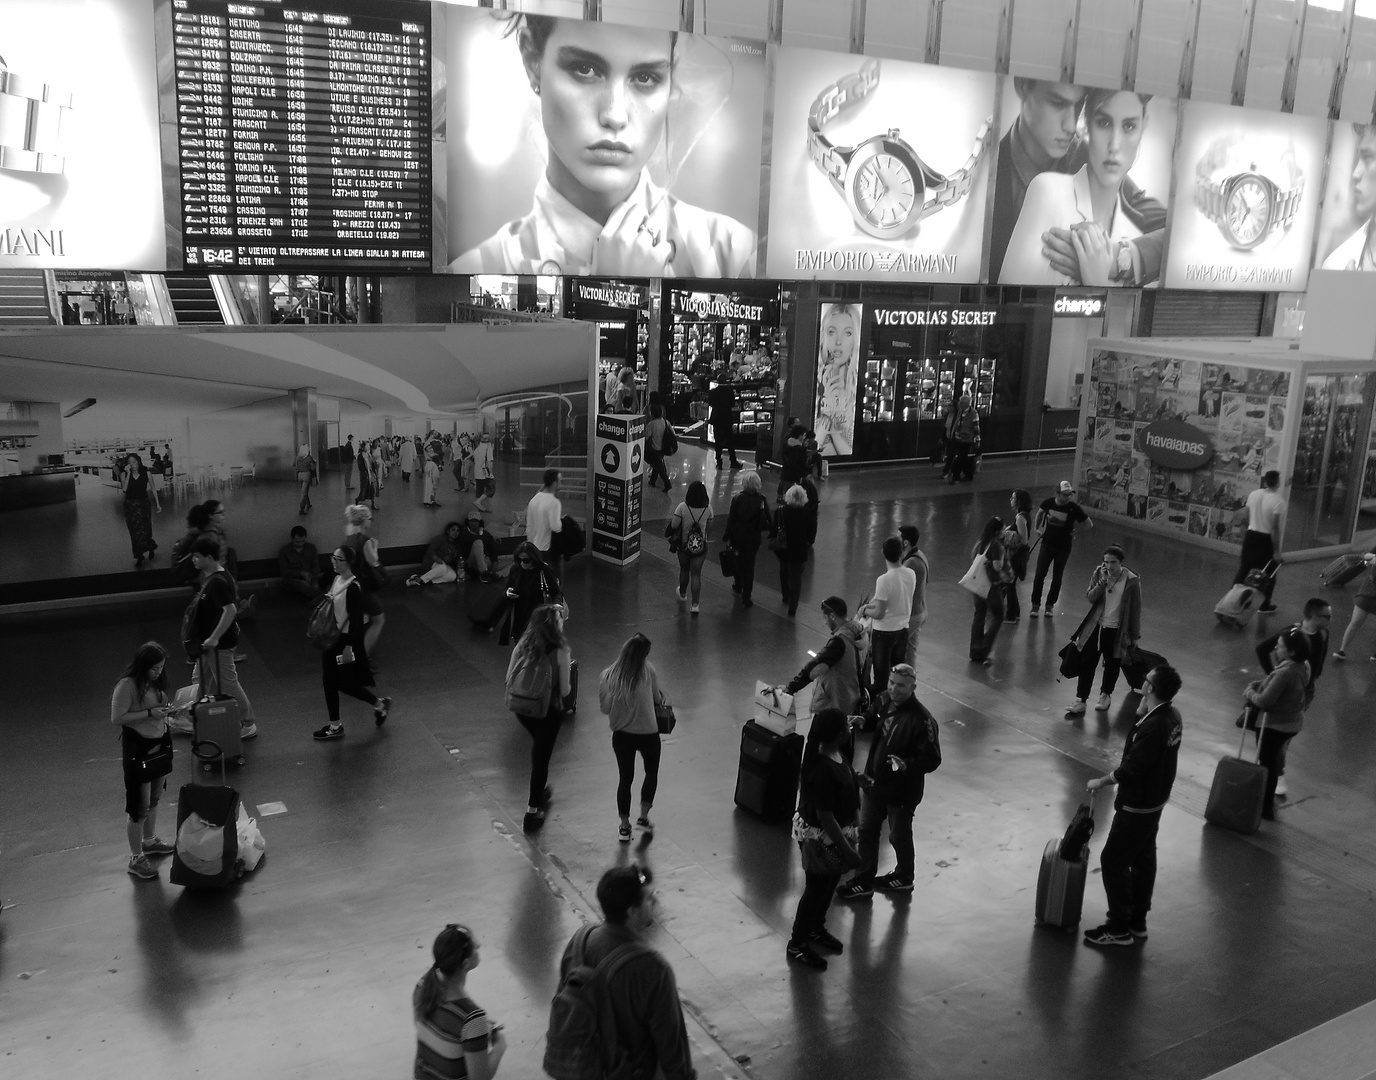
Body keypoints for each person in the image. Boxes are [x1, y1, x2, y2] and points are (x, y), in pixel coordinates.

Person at [449, 16, 754, 280]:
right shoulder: (473, 269)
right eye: (585, 69)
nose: (615, 115)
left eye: (645, 77)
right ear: (532, 60)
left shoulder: (732, 250)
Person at [988, 78, 1165, 286]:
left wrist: (1119, 259)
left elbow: (1175, 235)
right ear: (1023, 86)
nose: (1071, 126)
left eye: (1079, 104)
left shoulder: (1100, 168)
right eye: (1057, 103)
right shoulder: (984, 172)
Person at [555, 864, 697, 1080]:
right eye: (649, 898)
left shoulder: (580, 940)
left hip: (584, 1068)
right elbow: (672, 1048)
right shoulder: (653, 969)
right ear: (632, 911)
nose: (655, 902)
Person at [1082, 663, 1184, 947]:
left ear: (1151, 687)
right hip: (1154, 803)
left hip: (1137, 806)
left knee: (1113, 861)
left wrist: (1102, 781)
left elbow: (1133, 767)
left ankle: (1118, 927)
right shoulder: (1171, 716)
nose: (1144, 681)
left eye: (1147, 679)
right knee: (1143, 859)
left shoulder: (1153, 725)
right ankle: (1137, 921)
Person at [836, 665, 940, 899]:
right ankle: (864, 880)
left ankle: (904, 876)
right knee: (867, 831)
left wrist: (907, 766)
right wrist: (863, 720)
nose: (894, 689)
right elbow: (874, 719)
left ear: (913, 687)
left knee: (898, 835)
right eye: (891, 682)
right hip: (875, 783)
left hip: (901, 791)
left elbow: (932, 759)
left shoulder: (923, 721)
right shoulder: (884, 699)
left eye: (901, 685)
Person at [787, 708, 861, 970]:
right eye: (847, 728)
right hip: (821, 838)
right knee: (816, 889)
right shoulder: (821, 768)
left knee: (828, 885)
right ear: (839, 734)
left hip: (834, 833)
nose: (851, 731)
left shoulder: (833, 753)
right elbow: (826, 817)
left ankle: (815, 929)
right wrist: (849, 852)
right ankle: (797, 944)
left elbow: (843, 778)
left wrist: (856, 780)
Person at [112, 641, 176, 880]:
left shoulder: (156, 682)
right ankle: (136, 858)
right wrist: (150, 713)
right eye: (154, 668)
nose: (158, 672)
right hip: (138, 750)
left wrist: (168, 713)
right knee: (139, 806)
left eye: (161, 667)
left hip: (158, 747)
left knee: (154, 799)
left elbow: (160, 706)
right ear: (142, 665)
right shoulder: (126, 686)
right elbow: (117, 717)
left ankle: (150, 841)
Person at [315, 545, 392, 740]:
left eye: (339, 560)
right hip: (333, 636)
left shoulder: (353, 587)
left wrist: (349, 647)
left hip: (345, 640)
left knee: (342, 682)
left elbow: (356, 619)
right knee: (330, 681)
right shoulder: (336, 580)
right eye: (333, 558)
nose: (334, 562)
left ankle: (378, 704)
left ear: (348, 563)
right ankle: (336, 724)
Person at [1257, 598, 1332, 799]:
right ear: (1314, 616)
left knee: (1287, 732)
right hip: (1288, 688)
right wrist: (1273, 674)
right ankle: (1276, 772)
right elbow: (1263, 649)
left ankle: (1274, 769)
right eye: (1327, 616)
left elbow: (1320, 661)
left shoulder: (1323, 634)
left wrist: (1311, 681)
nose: (1330, 620)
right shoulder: (1291, 634)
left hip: (1306, 690)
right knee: (1280, 730)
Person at [412, 923, 506, 1080]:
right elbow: (480, 1078)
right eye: (475, 947)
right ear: (465, 964)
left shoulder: (423, 986)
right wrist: (499, 1046)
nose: (479, 945)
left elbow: (436, 1031)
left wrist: (476, 1035)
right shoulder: (472, 1018)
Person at [599, 632, 667, 843]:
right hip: (648, 733)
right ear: (643, 655)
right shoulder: (649, 671)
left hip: (622, 736)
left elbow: (605, 708)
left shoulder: (609, 675)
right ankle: (644, 817)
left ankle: (624, 826)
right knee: (651, 772)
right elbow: (657, 699)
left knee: (625, 779)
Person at [188, 536, 258, 741]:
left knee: (227, 683)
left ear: (209, 557)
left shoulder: (217, 582)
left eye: (196, 556)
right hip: (208, 643)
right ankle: (195, 716)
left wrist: (214, 638)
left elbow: (230, 610)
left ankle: (248, 722)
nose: (193, 559)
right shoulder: (213, 576)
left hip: (218, 644)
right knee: (198, 678)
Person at [511, 604, 573, 832]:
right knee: (541, 760)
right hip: (548, 711)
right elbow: (565, 691)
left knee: (539, 750)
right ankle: (532, 812)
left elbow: (510, 676)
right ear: (555, 625)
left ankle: (541, 789)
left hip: (522, 708)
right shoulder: (561, 650)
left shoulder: (523, 644)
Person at [1243, 627, 1311, 821]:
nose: (1275, 648)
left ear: (1292, 651)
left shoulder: (1285, 672)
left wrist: (1249, 691)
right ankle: (1265, 803)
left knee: (1267, 763)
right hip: (1293, 721)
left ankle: (1265, 807)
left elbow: (1264, 702)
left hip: (1275, 724)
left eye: (1280, 646)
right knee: (1272, 760)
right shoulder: (1303, 666)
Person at [1067, 544, 1142, 716]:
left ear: (1121, 562)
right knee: (1087, 663)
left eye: (1113, 562)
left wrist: (1134, 636)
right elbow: (1091, 598)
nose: (1109, 566)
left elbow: (1136, 610)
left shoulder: (1132, 581)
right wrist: (1102, 581)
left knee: (1112, 663)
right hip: (1096, 626)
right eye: (1106, 562)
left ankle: (1105, 695)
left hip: (1117, 630)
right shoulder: (1100, 574)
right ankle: (1081, 700)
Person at [784, 597, 865, 716]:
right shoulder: (860, 633)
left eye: (825, 617)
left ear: (832, 616)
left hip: (834, 703)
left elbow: (817, 667)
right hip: (852, 696)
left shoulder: (839, 642)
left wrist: (791, 687)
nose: (825, 622)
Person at [859, 537, 915, 690]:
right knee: (897, 674)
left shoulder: (883, 580)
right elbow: (892, 599)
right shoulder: (911, 574)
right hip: (903, 630)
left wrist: (865, 610)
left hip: (884, 634)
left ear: (883, 553)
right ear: (901, 553)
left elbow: (880, 613)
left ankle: (879, 708)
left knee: (881, 679)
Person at [1030, 481, 1093, 617]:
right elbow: (1040, 513)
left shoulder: (1073, 508)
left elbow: (1088, 523)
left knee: (1057, 577)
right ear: (1057, 494)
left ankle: (1049, 605)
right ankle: (1035, 605)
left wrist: (1075, 532)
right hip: (1047, 543)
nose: (1067, 498)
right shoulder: (1049, 503)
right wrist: (1037, 528)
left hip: (1063, 547)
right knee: (1040, 574)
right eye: (1064, 495)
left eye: (1069, 495)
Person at [1322, 124, 1376, 270]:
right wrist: (1348, 292)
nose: (1356, 173)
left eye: (1368, 159)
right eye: (1359, 159)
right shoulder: (1335, 264)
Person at [1233, 470, 1285, 613]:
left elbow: (1247, 516)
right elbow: (1275, 529)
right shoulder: (1278, 501)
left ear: (1265, 481)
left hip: (1251, 535)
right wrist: (1276, 551)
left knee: (1244, 569)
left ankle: (1232, 599)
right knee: (1270, 574)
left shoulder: (1254, 494)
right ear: (1278, 483)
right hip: (1265, 540)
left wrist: (1248, 533)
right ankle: (1264, 605)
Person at [815, 304, 859, 457]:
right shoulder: (813, 385)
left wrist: (834, 433)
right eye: (832, 332)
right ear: (823, 336)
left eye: (847, 333)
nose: (838, 342)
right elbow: (811, 448)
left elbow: (849, 452)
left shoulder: (856, 389)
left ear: (855, 340)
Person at [343, 504, 387, 657]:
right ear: (363, 521)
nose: (371, 521)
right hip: (363, 587)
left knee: (361, 620)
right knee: (379, 620)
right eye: (370, 518)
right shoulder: (364, 540)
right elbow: (373, 562)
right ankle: (362, 657)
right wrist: (375, 548)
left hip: (351, 584)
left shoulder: (350, 537)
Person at [724, 470, 770, 608]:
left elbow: (731, 519)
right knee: (749, 566)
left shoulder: (737, 498)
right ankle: (747, 596)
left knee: (737, 560)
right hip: (753, 538)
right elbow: (769, 521)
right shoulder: (762, 500)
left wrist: (727, 536)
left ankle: (738, 585)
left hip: (738, 536)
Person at [503, 541, 563, 645]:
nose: (522, 563)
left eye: (526, 560)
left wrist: (557, 604)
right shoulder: (516, 569)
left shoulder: (544, 570)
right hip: (520, 615)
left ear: (534, 559)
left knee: (536, 646)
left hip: (539, 616)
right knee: (521, 645)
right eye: (519, 560)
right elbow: (507, 587)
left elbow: (556, 592)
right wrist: (508, 593)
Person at [968, 516, 1010, 666]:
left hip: (977, 585)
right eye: (1003, 529)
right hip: (991, 587)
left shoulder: (980, 543)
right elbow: (998, 567)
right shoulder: (997, 546)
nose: (1005, 532)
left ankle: (974, 651)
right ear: (998, 532)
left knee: (979, 614)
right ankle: (983, 648)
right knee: (999, 616)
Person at [770, 483, 816, 618]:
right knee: (796, 578)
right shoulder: (807, 513)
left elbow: (773, 530)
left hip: (783, 549)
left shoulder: (780, 512)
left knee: (784, 571)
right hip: (800, 550)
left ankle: (785, 595)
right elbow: (811, 533)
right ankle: (793, 606)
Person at [669, 480, 713, 615]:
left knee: (684, 570)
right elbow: (709, 530)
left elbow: (674, 525)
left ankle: (682, 594)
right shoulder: (708, 509)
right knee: (696, 574)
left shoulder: (682, 507)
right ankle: (695, 605)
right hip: (700, 548)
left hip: (683, 546)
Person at [1333, 552, 1376, 660]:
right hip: (1368, 590)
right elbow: (1366, 555)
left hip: (1369, 590)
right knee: (1356, 621)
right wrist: (1374, 557)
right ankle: (1342, 650)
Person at [119, 453, 158, 568]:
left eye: (134, 462)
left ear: (139, 462)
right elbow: (124, 489)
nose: (133, 465)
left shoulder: (146, 473)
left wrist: (158, 503)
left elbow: (153, 488)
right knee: (134, 531)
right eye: (130, 463)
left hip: (143, 504)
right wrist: (129, 473)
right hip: (130, 505)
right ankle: (139, 555)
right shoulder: (124, 474)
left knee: (146, 529)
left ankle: (150, 546)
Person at [525, 468, 564, 576]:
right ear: (554, 483)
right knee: (553, 584)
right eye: (560, 481)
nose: (561, 483)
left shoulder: (534, 500)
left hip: (534, 548)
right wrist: (562, 521)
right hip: (548, 550)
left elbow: (529, 526)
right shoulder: (554, 503)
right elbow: (556, 527)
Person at [899, 526, 929, 664]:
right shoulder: (920, 555)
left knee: (898, 648)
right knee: (910, 649)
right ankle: (910, 679)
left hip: (912, 615)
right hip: (920, 611)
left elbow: (901, 590)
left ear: (905, 542)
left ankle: (901, 679)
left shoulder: (910, 562)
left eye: (898, 536)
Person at [1004, 490, 1034, 622]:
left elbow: (1024, 539)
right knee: (1010, 584)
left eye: (1013, 498)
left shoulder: (1020, 518)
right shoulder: (1023, 516)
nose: (1011, 500)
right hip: (1020, 555)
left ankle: (1011, 615)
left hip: (1017, 555)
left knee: (1010, 583)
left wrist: (1009, 535)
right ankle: (1015, 612)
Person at [408, 522, 466, 587]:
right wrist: (436, 558)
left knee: (452, 576)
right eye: (453, 530)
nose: (455, 532)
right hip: (433, 561)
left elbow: (458, 559)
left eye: (457, 531)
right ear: (448, 531)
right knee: (442, 568)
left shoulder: (457, 545)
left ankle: (421, 579)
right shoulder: (441, 538)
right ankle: (419, 580)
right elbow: (430, 550)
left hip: (445, 564)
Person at [944, 393, 980, 483]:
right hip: (956, 438)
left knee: (961, 458)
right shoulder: (960, 411)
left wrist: (977, 440)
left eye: (962, 403)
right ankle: (968, 474)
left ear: (967, 403)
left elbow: (976, 428)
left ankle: (956, 477)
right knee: (962, 457)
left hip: (966, 440)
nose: (960, 404)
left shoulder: (973, 413)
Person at [457, 511, 501, 583]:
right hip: (472, 561)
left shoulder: (485, 533)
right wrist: (491, 538)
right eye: (471, 521)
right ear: (468, 522)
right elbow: (474, 539)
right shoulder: (464, 533)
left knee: (510, 565)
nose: (473, 523)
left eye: (476, 521)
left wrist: (495, 562)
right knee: (478, 542)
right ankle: (484, 572)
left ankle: (496, 575)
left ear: (479, 522)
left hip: (486, 560)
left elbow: (492, 548)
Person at [278, 525, 321, 600]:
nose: (300, 544)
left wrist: (310, 575)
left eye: (303, 541)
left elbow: (316, 566)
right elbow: (284, 572)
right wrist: (301, 573)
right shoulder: (284, 551)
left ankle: (315, 597)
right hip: (292, 579)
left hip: (310, 576)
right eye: (297, 542)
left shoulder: (311, 548)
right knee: (302, 584)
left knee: (315, 586)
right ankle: (319, 599)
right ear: (292, 538)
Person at [708, 378, 741, 469]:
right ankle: (733, 461)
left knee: (718, 441)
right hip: (727, 417)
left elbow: (711, 404)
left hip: (717, 417)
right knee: (730, 440)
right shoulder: (729, 391)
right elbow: (732, 404)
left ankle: (719, 462)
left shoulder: (712, 392)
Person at [644, 403, 673, 493]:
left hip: (655, 448)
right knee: (657, 464)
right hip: (663, 447)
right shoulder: (665, 422)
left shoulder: (651, 424)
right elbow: (672, 432)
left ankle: (667, 483)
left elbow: (647, 436)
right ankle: (652, 480)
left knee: (659, 466)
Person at [472, 432, 495, 513]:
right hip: (485, 472)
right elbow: (489, 461)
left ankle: (479, 507)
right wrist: (491, 473)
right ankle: (478, 502)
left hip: (477, 471)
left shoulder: (477, 448)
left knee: (479, 489)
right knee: (491, 489)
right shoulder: (488, 447)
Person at [294, 443, 316, 516]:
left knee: (304, 490)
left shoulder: (298, 457)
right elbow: (313, 468)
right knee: (304, 492)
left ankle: (308, 504)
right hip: (306, 475)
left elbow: (294, 465)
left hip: (299, 475)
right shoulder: (308, 458)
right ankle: (302, 508)